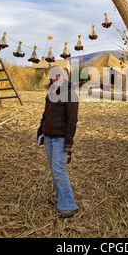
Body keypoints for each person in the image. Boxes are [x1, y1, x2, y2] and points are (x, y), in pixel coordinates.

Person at [37, 66, 79, 218]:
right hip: (48, 137)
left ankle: (69, 205)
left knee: (59, 170)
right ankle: (59, 197)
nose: (55, 78)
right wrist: (40, 131)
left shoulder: (70, 94)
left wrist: (68, 142)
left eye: (59, 75)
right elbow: (45, 114)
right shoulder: (51, 93)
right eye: (53, 76)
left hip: (60, 139)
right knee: (54, 169)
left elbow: (72, 120)